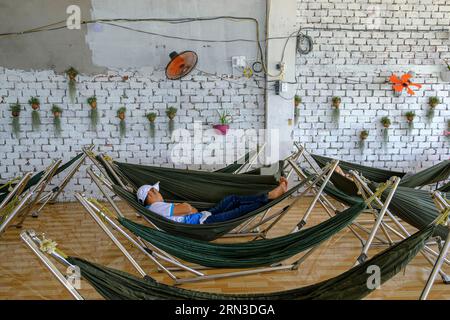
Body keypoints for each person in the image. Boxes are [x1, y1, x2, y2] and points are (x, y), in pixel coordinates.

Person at [136, 177, 288, 224]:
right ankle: (269, 196)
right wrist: (185, 207)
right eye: (156, 191)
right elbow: (188, 209)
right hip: (204, 224)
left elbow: (189, 209)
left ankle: (268, 196)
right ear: (150, 195)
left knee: (232, 199)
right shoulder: (156, 207)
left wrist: (186, 208)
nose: (160, 193)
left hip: (203, 216)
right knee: (239, 211)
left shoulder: (157, 207)